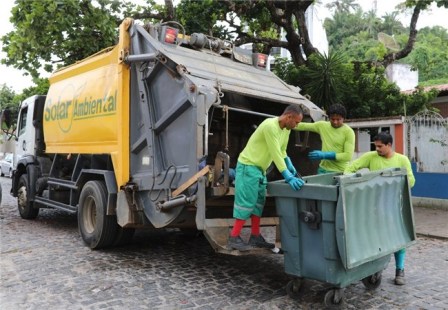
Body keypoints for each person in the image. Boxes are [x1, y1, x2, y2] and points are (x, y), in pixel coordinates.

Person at [228, 104, 305, 251]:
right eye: (296, 122)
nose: (296, 125)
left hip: (260, 170)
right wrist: (287, 176)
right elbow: (275, 153)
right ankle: (234, 237)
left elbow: (282, 151)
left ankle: (255, 236)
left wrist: (290, 164)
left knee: (258, 204)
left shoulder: (286, 130)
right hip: (248, 167)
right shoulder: (270, 126)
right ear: (289, 117)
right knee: (246, 203)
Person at [344, 131, 415, 286]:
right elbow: (351, 168)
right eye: (375, 146)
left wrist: (392, 180)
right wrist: (352, 182)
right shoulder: (370, 157)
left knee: (398, 238)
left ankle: (400, 270)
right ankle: (375, 269)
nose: (377, 149)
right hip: (374, 208)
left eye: (380, 146)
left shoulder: (401, 160)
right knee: (374, 237)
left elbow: (410, 180)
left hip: (395, 207)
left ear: (389, 145)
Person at [296, 103, 355, 174]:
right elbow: (302, 126)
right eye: (332, 119)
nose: (335, 122)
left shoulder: (349, 132)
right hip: (322, 170)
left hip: (340, 172)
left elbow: (347, 156)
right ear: (329, 117)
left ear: (344, 118)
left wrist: (325, 155)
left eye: (338, 119)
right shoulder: (322, 126)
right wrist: (281, 120)